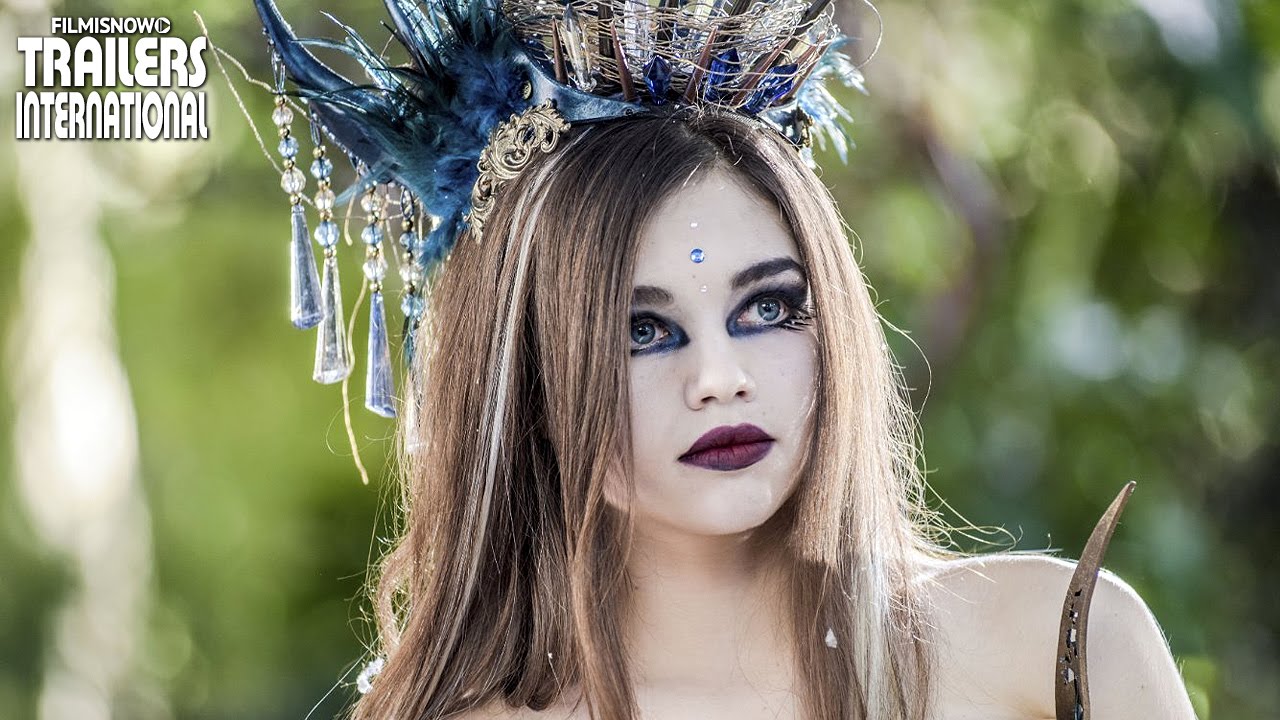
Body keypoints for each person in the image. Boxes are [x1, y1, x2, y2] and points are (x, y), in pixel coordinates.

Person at [250, 1, 1198, 718]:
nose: (719, 378)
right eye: (641, 331)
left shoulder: (1063, 644)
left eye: (768, 308)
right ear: (531, 382)